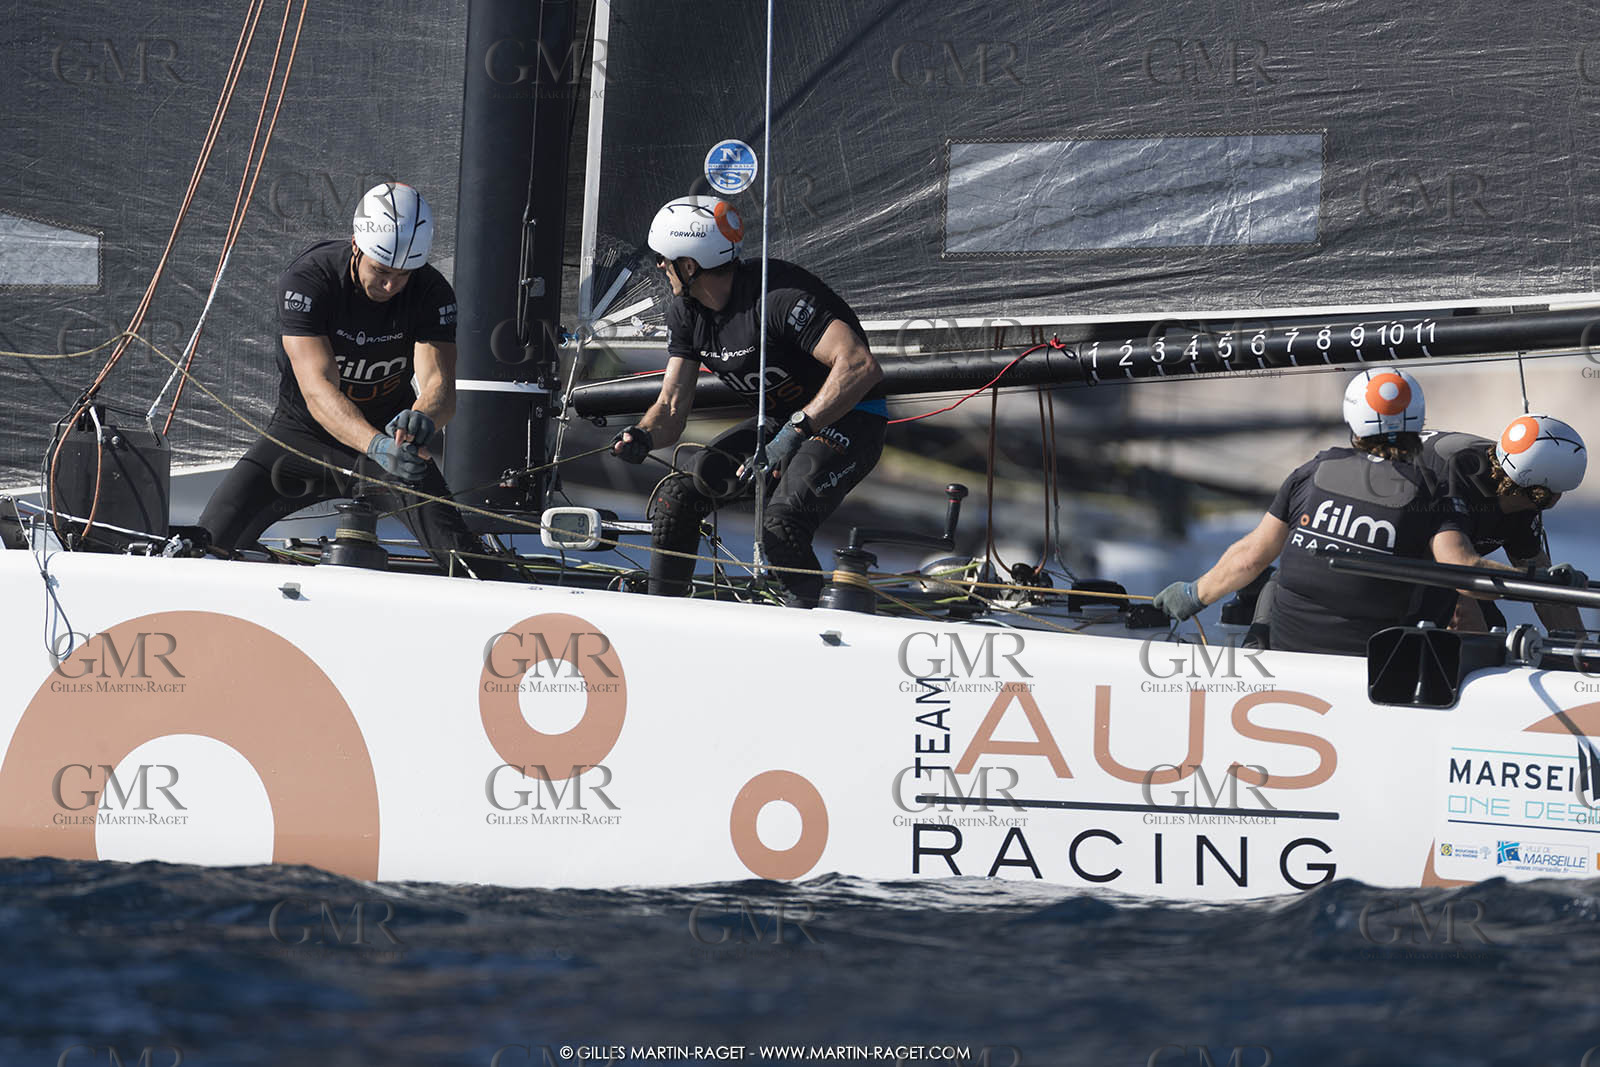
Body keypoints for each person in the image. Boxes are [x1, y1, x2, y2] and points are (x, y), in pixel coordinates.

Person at [1151, 369, 1587, 656]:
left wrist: (1578, 652)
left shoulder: (1313, 470)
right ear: (1542, 493)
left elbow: (1251, 555)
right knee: (1472, 623)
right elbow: (1460, 575)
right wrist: (1529, 585)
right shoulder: (1441, 482)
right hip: (1385, 606)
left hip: (1302, 628)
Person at [198, 182, 505, 578]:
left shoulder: (431, 291)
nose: (391, 285)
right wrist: (373, 444)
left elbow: (439, 388)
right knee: (208, 541)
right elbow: (317, 387)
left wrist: (422, 418)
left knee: (466, 562)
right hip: (302, 436)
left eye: (403, 275)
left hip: (392, 441)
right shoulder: (309, 279)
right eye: (381, 271)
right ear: (358, 248)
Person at [609, 195, 886, 606]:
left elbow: (859, 366)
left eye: (664, 259)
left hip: (850, 420)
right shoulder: (686, 312)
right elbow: (670, 409)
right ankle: (663, 617)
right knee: (676, 498)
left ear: (689, 265)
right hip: (778, 426)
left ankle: (817, 631)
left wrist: (795, 433)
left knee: (780, 525)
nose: (659, 267)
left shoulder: (777, 298)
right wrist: (643, 435)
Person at [1413, 415, 1587, 633]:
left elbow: (1539, 578)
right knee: (1473, 626)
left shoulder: (1521, 497)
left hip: (1446, 558)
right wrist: (1531, 581)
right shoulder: (1459, 480)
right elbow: (1456, 566)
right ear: (1550, 494)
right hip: (1403, 549)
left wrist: (1581, 650)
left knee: (1495, 627)